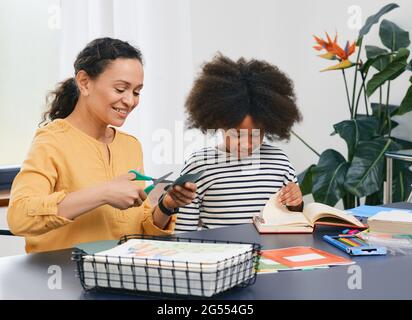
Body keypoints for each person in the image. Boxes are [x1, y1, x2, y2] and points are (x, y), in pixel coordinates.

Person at [7, 38, 196, 252]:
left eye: (136, 92)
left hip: (120, 275)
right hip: (65, 277)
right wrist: (104, 193)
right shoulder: (51, 141)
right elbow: (19, 217)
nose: (130, 101)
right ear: (85, 82)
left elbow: (140, 231)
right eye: (120, 89)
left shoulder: (130, 146)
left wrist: (167, 205)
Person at [175, 54, 303, 232]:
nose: (246, 144)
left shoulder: (280, 163)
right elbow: (183, 232)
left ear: (269, 125)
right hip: (218, 257)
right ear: (218, 123)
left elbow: (294, 220)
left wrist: (296, 202)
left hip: (269, 255)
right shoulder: (199, 165)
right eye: (236, 134)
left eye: (255, 135)